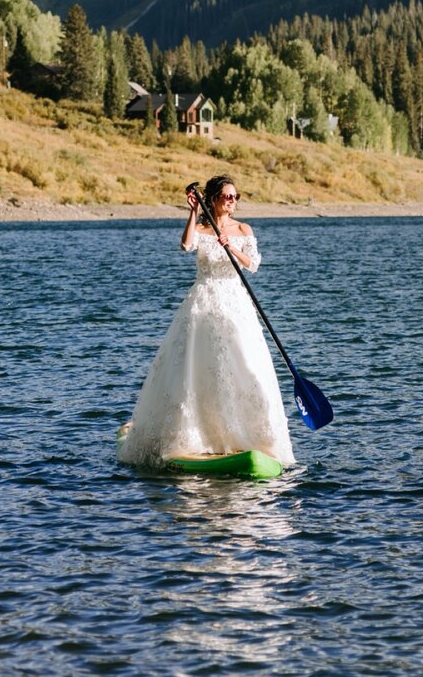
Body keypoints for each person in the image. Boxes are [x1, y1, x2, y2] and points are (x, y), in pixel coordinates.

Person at [119, 173, 295, 467]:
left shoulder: (243, 228)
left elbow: (252, 265)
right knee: (199, 368)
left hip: (236, 307)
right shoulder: (202, 227)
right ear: (212, 199)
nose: (232, 202)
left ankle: (251, 439)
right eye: (227, 196)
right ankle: (198, 438)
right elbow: (186, 246)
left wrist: (231, 245)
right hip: (203, 304)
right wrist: (191, 212)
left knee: (243, 366)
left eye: (235, 197)